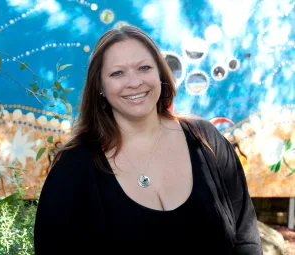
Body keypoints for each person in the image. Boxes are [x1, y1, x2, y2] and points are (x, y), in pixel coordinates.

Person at [34, 25, 262, 255]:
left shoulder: (205, 139)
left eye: (144, 68)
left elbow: (246, 239)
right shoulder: (73, 168)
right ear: (100, 87)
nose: (134, 82)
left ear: (161, 74)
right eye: (117, 73)